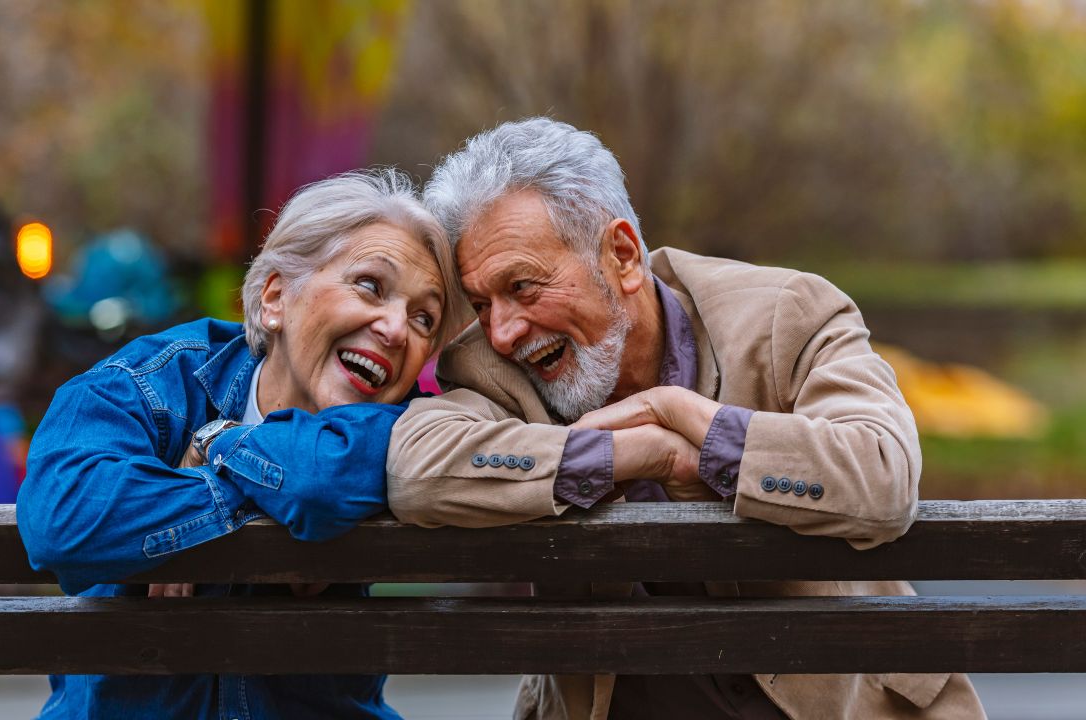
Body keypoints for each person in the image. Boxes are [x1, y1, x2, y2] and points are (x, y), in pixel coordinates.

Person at [386, 118, 987, 719]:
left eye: (523, 286)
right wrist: (630, 456)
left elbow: (882, 475)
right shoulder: (489, 364)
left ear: (621, 256)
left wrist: (698, 428)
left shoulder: (787, 314)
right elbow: (417, 469)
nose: (503, 330)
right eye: (485, 302)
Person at [17, 169, 464, 719]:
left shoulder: (406, 427)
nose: (397, 330)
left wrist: (221, 445)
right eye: (371, 285)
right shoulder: (154, 382)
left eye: (425, 318)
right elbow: (61, 515)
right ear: (276, 296)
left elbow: (318, 485)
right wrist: (244, 487)